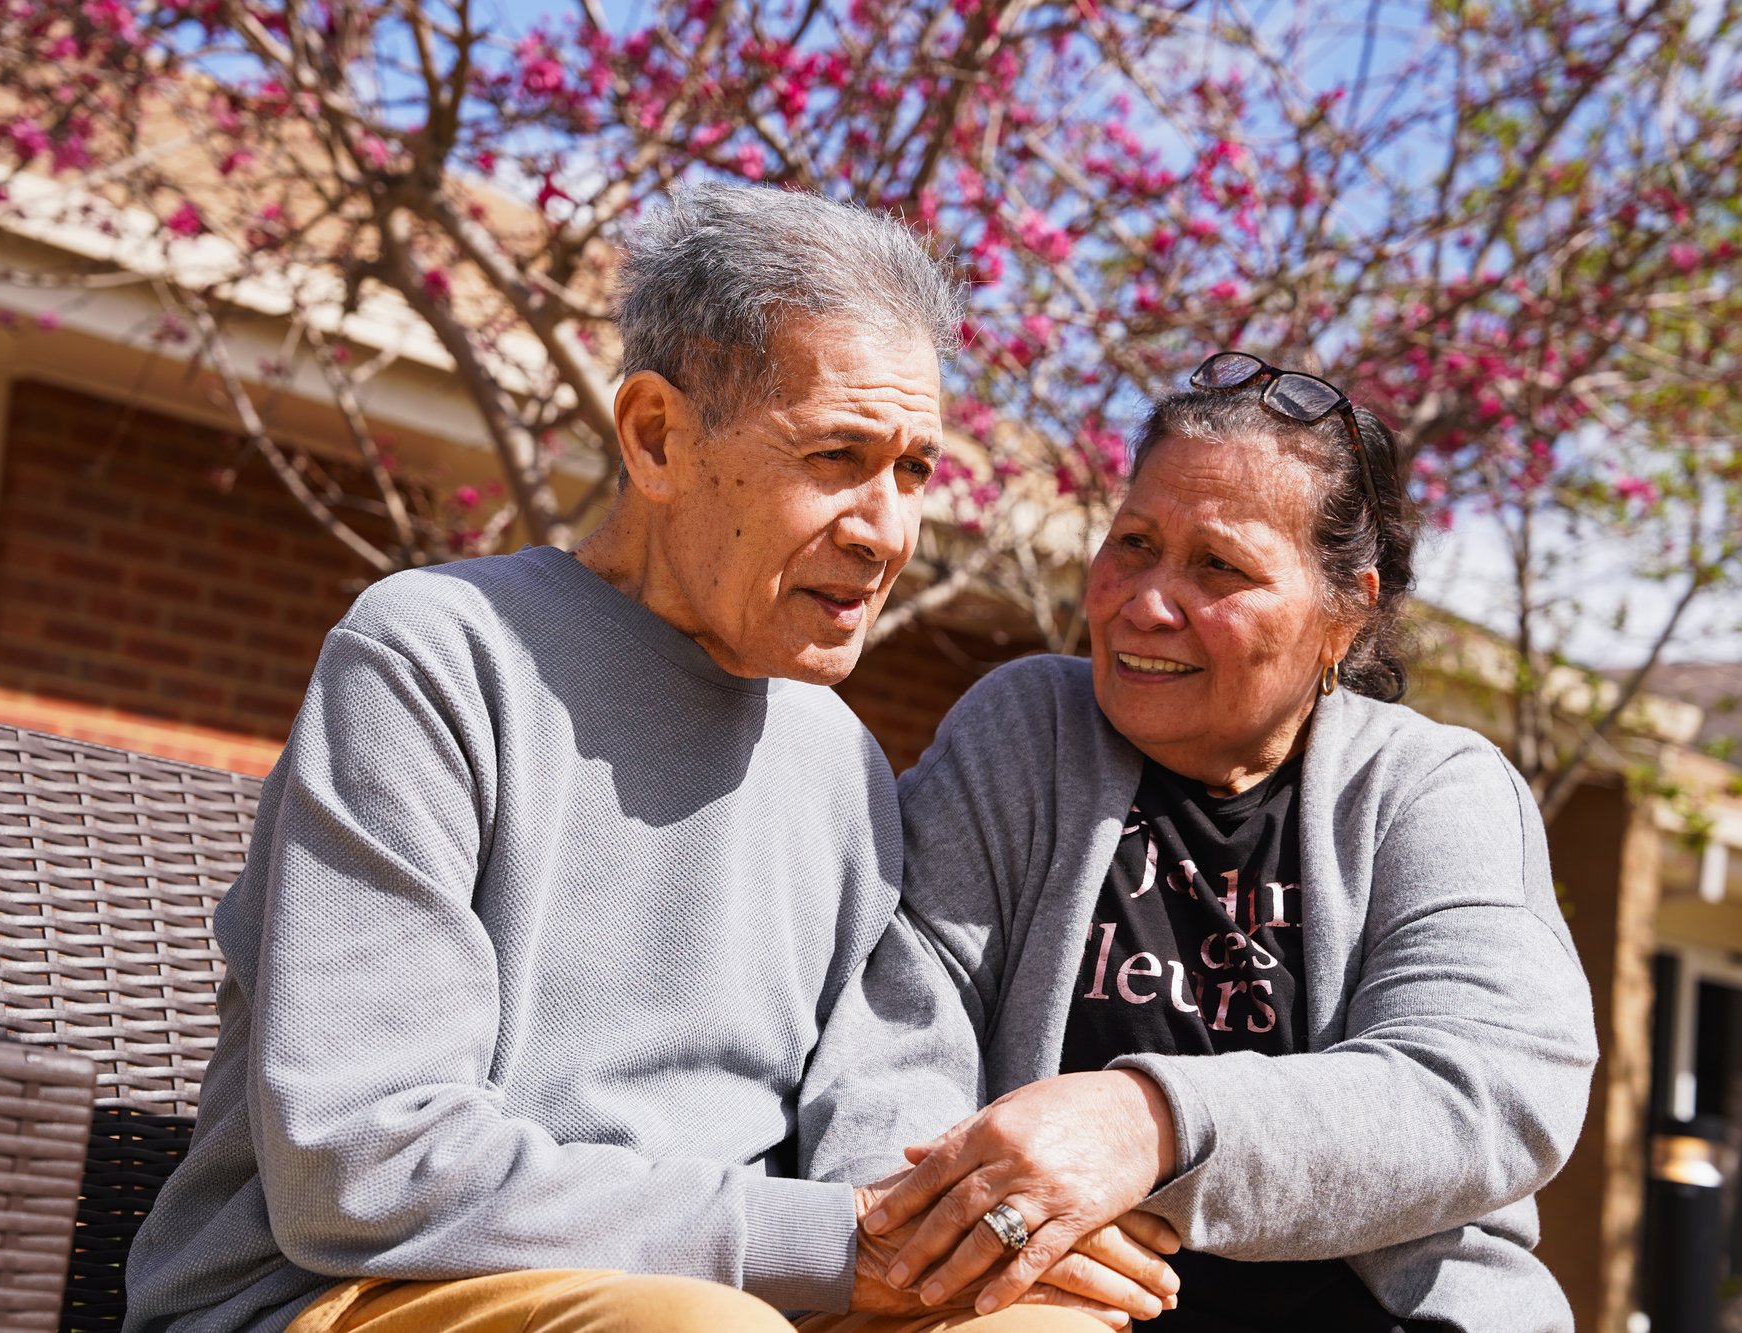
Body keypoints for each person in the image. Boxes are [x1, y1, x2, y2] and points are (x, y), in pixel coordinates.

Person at [122, 183, 1176, 1333]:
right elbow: (366, 1169)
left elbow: (880, 1124)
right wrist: (832, 1242)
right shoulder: (433, 656)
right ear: (658, 437)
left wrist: (960, 1245)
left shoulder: (839, 759)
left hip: (737, 1294)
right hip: (350, 1289)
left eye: (912, 469)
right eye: (836, 455)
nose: (885, 531)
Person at [822, 353, 1600, 1332]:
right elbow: (895, 1019)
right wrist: (956, 1231)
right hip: (1042, 1302)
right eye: (1133, 542)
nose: (1144, 600)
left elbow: (1482, 1093)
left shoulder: (1432, 791)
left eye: (1217, 567)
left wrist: (1146, 1124)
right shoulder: (1025, 732)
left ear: (1342, 614)